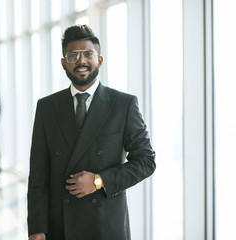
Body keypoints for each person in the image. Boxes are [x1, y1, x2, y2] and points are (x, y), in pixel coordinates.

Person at [27, 25, 156, 240]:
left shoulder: (123, 105)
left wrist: (99, 180)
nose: (81, 61)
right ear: (63, 63)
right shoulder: (47, 107)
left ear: (100, 60)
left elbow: (146, 161)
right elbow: (38, 173)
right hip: (60, 226)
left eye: (88, 54)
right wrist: (36, 227)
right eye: (72, 55)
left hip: (105, 224)